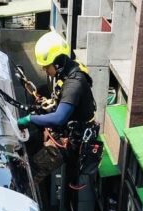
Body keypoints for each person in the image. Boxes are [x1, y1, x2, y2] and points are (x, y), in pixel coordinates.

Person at [17, 31, 100, 188]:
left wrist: (29, 119)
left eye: (46, 66)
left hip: (68, 142)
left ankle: (18, 191)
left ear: (57, 63)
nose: (44, 70)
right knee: (29, 145)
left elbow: (59, 118)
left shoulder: (74, 83)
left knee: (29, 172)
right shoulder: (70, 71)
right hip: (64, 131)